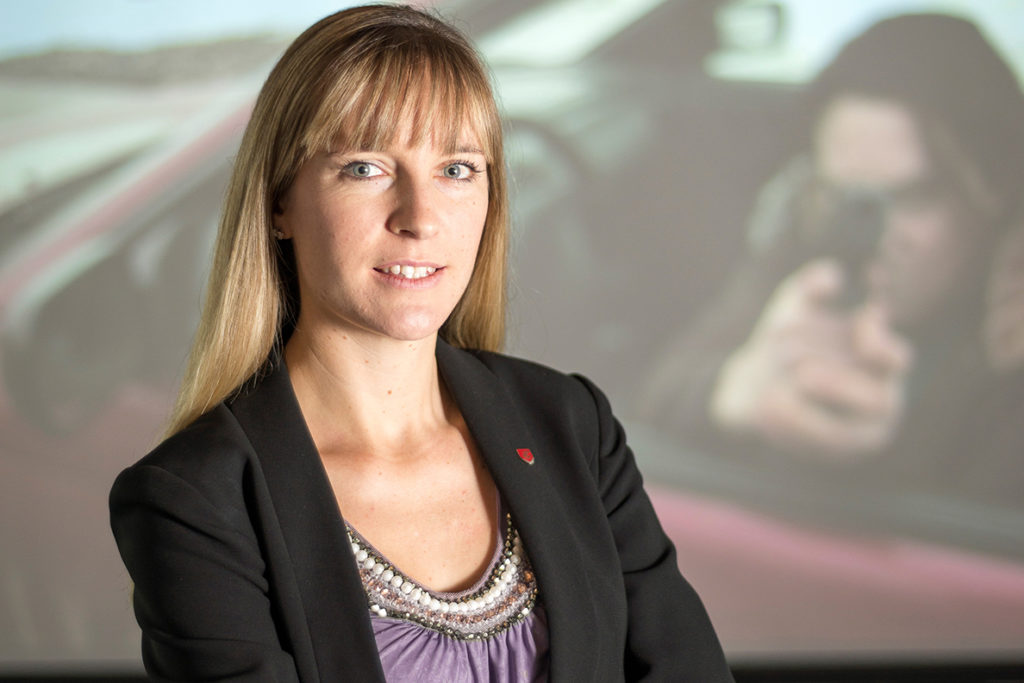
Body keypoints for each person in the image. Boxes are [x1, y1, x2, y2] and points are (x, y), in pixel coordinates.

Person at [108, 6, 733, 681]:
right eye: (365, 168)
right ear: (279, 202)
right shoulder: (194, 501)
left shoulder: (573, 425)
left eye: (457, 169)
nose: (420, 217)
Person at [636, 14, 1024, 510]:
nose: (876, 235)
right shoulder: (804, 256)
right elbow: (655, 395)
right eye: (849, 201)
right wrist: (734, 386)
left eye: (915, 198)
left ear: (995, 193)